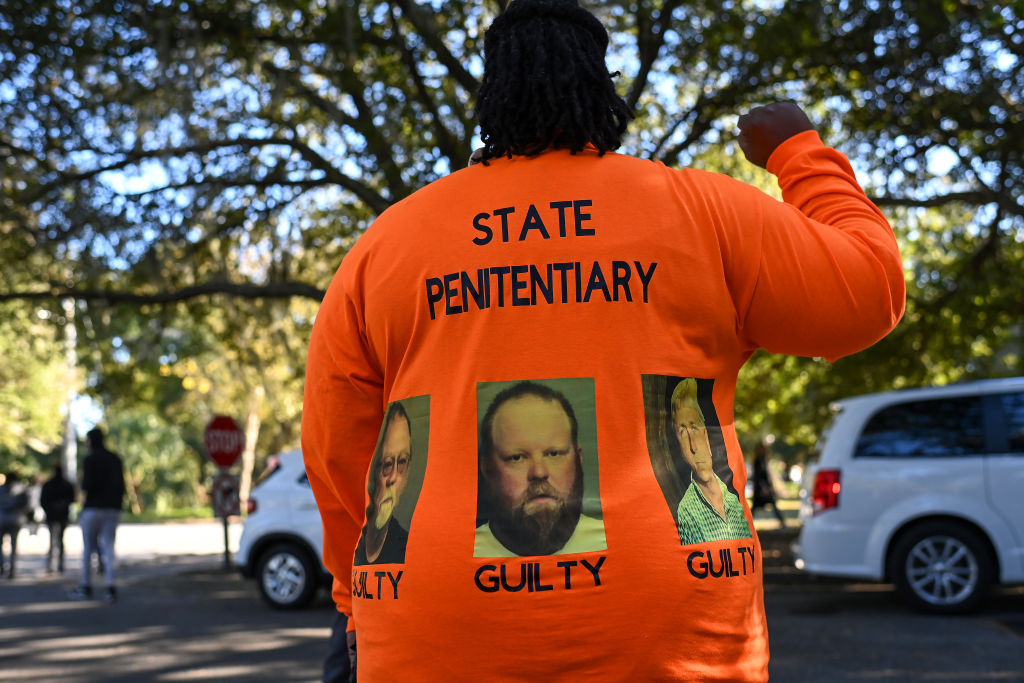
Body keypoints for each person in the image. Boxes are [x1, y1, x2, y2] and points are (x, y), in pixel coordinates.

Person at [301, 0, 904, 679]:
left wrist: (359, 601)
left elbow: (336, 448)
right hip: (678, 630)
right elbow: (869, 293)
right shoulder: (701, 212)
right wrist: (801, 154)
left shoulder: (387, 245)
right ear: (602, 87)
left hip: (435, 632)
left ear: (489, 97)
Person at [475, 381, 605, 557]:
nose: (539, 472)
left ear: (577, 459)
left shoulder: (617, 544)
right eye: (517, 458)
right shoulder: (459, 556)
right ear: (487, 469)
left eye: (554, 454)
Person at [671, 378, 752, 545]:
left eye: (694, 428)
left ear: (707, 436)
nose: (693, 446)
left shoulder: (732, 501)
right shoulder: (686, 510)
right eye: (683, 433)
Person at [69, 427, 125, 603]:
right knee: (108, 548)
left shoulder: (90, 459)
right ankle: (110, 587)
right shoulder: (114, 458)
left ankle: (86, 586)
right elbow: (121, 485)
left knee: (88, 549)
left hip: (93, 508)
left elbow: (87, 485)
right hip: (112, 508)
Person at [353, 402, 412, 565]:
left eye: (401, 462)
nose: (393, 477)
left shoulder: (408, 547)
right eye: (386, 464)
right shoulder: (356, 542)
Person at [40, 463, 76, 574]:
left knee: (54, 540)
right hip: (59, 515)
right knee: (59, 540)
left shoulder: (50, 484)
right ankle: (58, 565)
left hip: (54, 516)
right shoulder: (65, 484)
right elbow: (71, 499)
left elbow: (43, 501)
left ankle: (54, 565)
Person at [0, 471, 29, 579]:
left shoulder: (1, 489)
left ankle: (2, 566)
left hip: (2, 519)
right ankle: (11, 569)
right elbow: (26, 505)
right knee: (13, 544)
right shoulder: (21, 489)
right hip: (15, 519)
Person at [751, 442, 787, 527]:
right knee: (755, 507)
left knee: (772, 504)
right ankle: (746, 524)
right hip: (760, 490)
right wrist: (763, 487)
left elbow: (766, 476)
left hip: (766, 489)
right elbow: (758, 476)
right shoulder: (757, 461)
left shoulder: (764, 460)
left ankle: (782, 522)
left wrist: (770, 487)